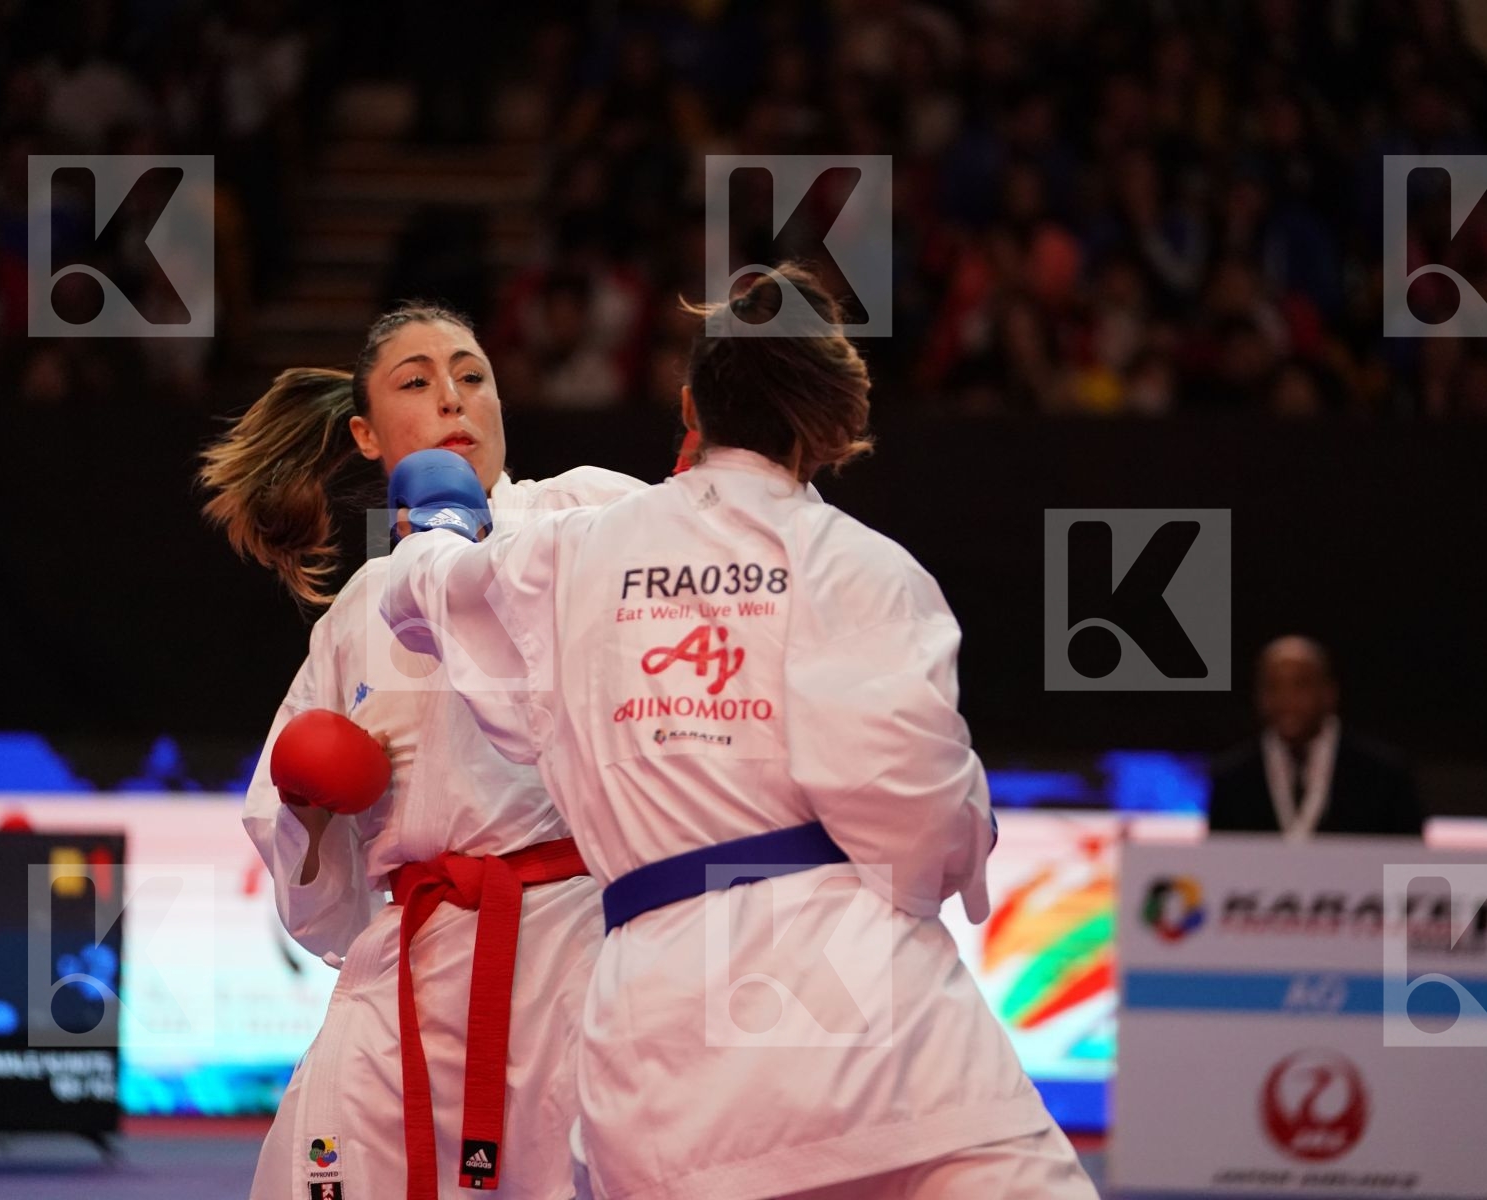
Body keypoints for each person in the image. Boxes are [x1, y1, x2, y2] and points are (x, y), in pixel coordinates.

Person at [380, 264, 1098, 1199]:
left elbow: (425, 594)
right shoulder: (860, 567)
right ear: (831, 427)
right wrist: (967, 842)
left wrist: (434, 524)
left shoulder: (572, 553)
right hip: (879, 1033)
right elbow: (913, 817)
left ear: (690, 407)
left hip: (665, 1042)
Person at [198, 302, 643, 1200]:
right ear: (365, 433)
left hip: (573, 953)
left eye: (472, 375)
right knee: (309, 1171)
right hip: (408, 964)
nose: (454, 397)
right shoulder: (358, 612)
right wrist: (313, 813)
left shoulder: (590, 513)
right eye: (418, 381)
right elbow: (315, 892)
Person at [1209, 635, 1424, 837]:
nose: (1286, 700)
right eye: (1273, 687)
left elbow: (1410, 860)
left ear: (1329, 693)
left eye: (1300, 685)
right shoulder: (1231, 778)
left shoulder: (1384, 776)